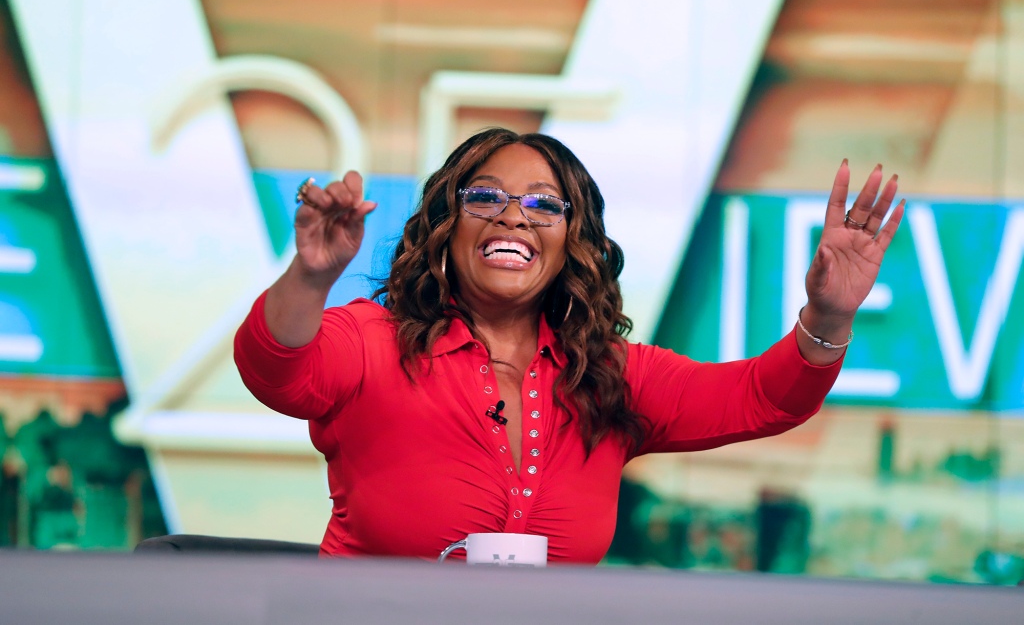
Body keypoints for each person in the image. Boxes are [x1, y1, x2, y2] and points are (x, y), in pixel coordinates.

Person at [233, 128, 904, 562]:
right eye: (485, 196)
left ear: (571, 242)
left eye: (545, 204)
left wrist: (829, 313)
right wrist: (312, 275)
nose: (514, 214)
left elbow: (765, 398)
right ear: (446, 225)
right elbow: (273, 369)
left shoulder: (608, 376)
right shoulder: (374, 342)